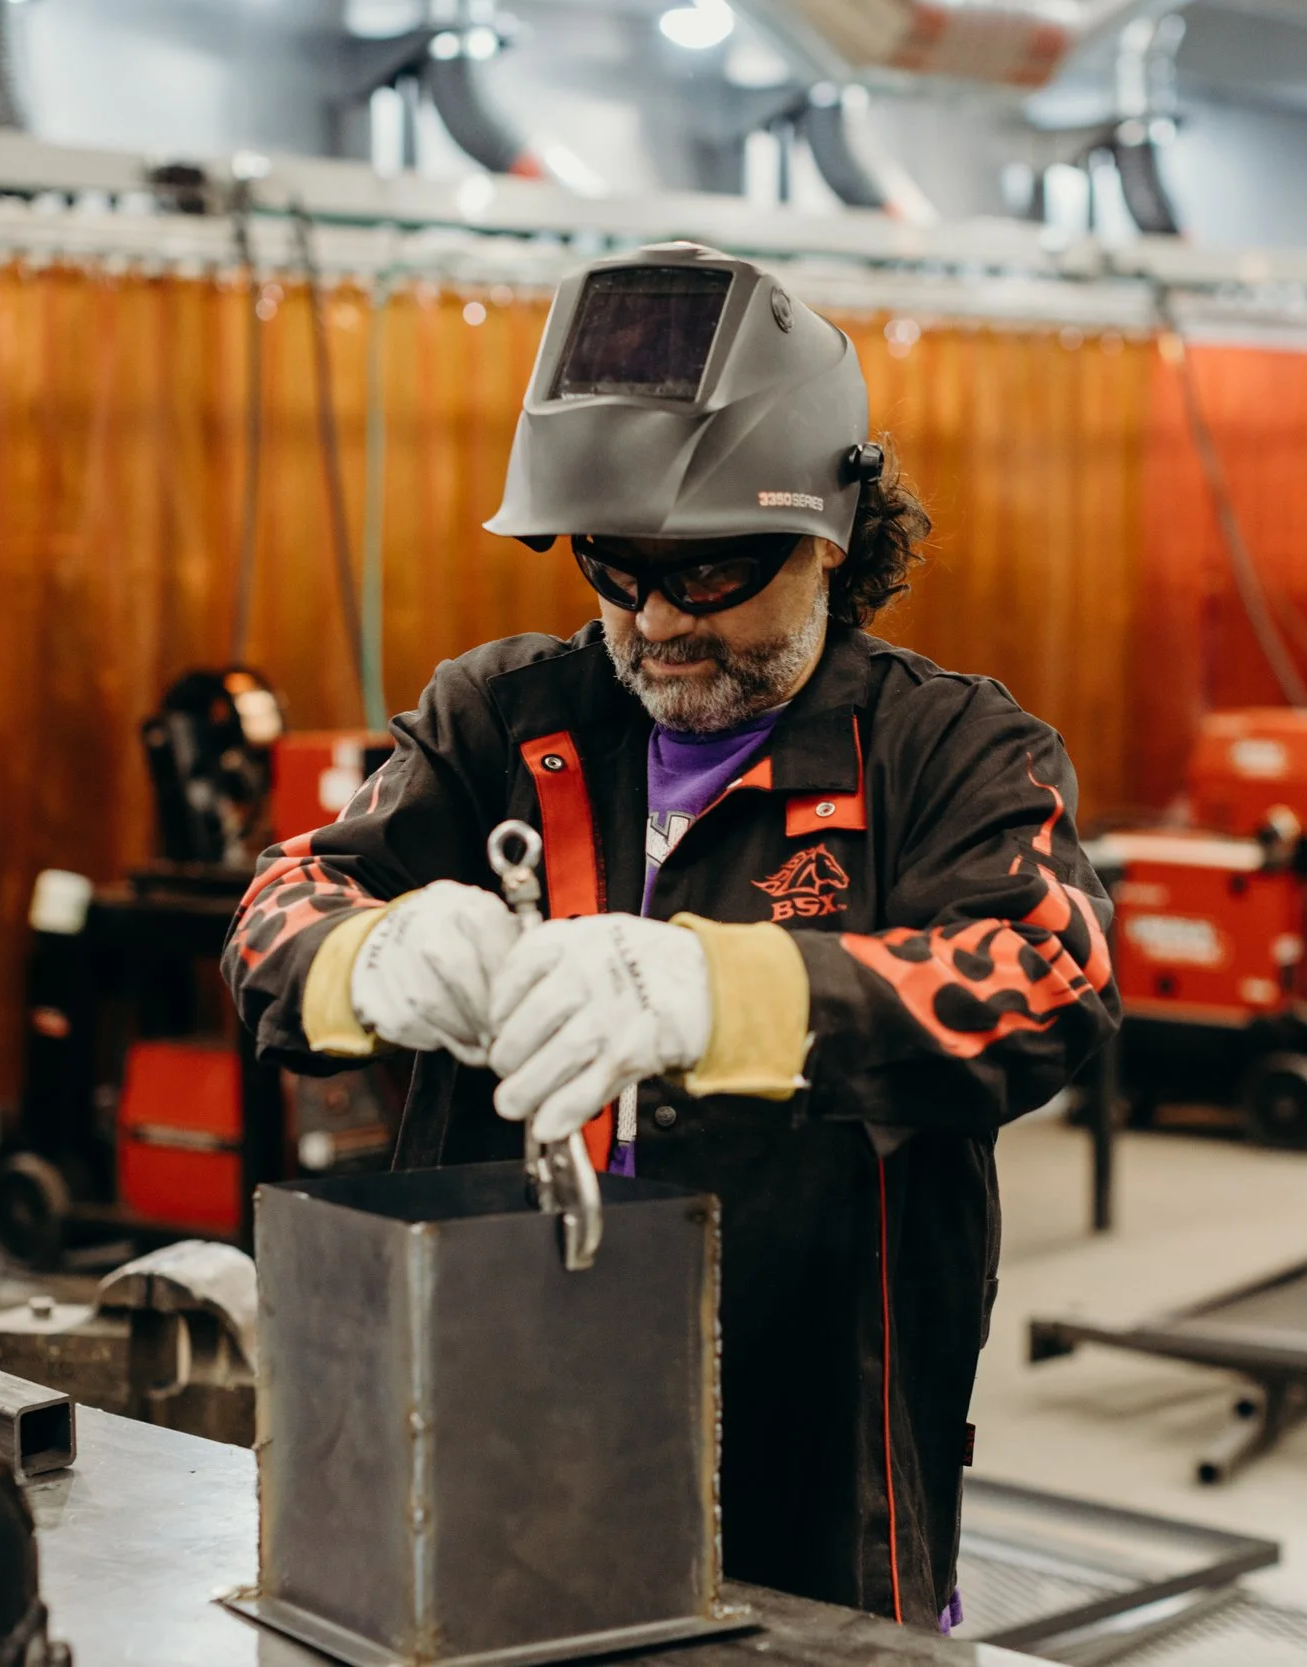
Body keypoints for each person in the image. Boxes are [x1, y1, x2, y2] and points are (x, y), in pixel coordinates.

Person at [223, 242, 1117, 1626]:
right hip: (497, 1405)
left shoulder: (950, 751)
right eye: (613, 570)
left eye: (710, 577)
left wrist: (722, 991)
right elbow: (281, 906)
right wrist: (369, 956)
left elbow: (1050, 980)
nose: (655, 625)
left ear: (831, 533)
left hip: (816, 1442)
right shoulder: (502, 721)